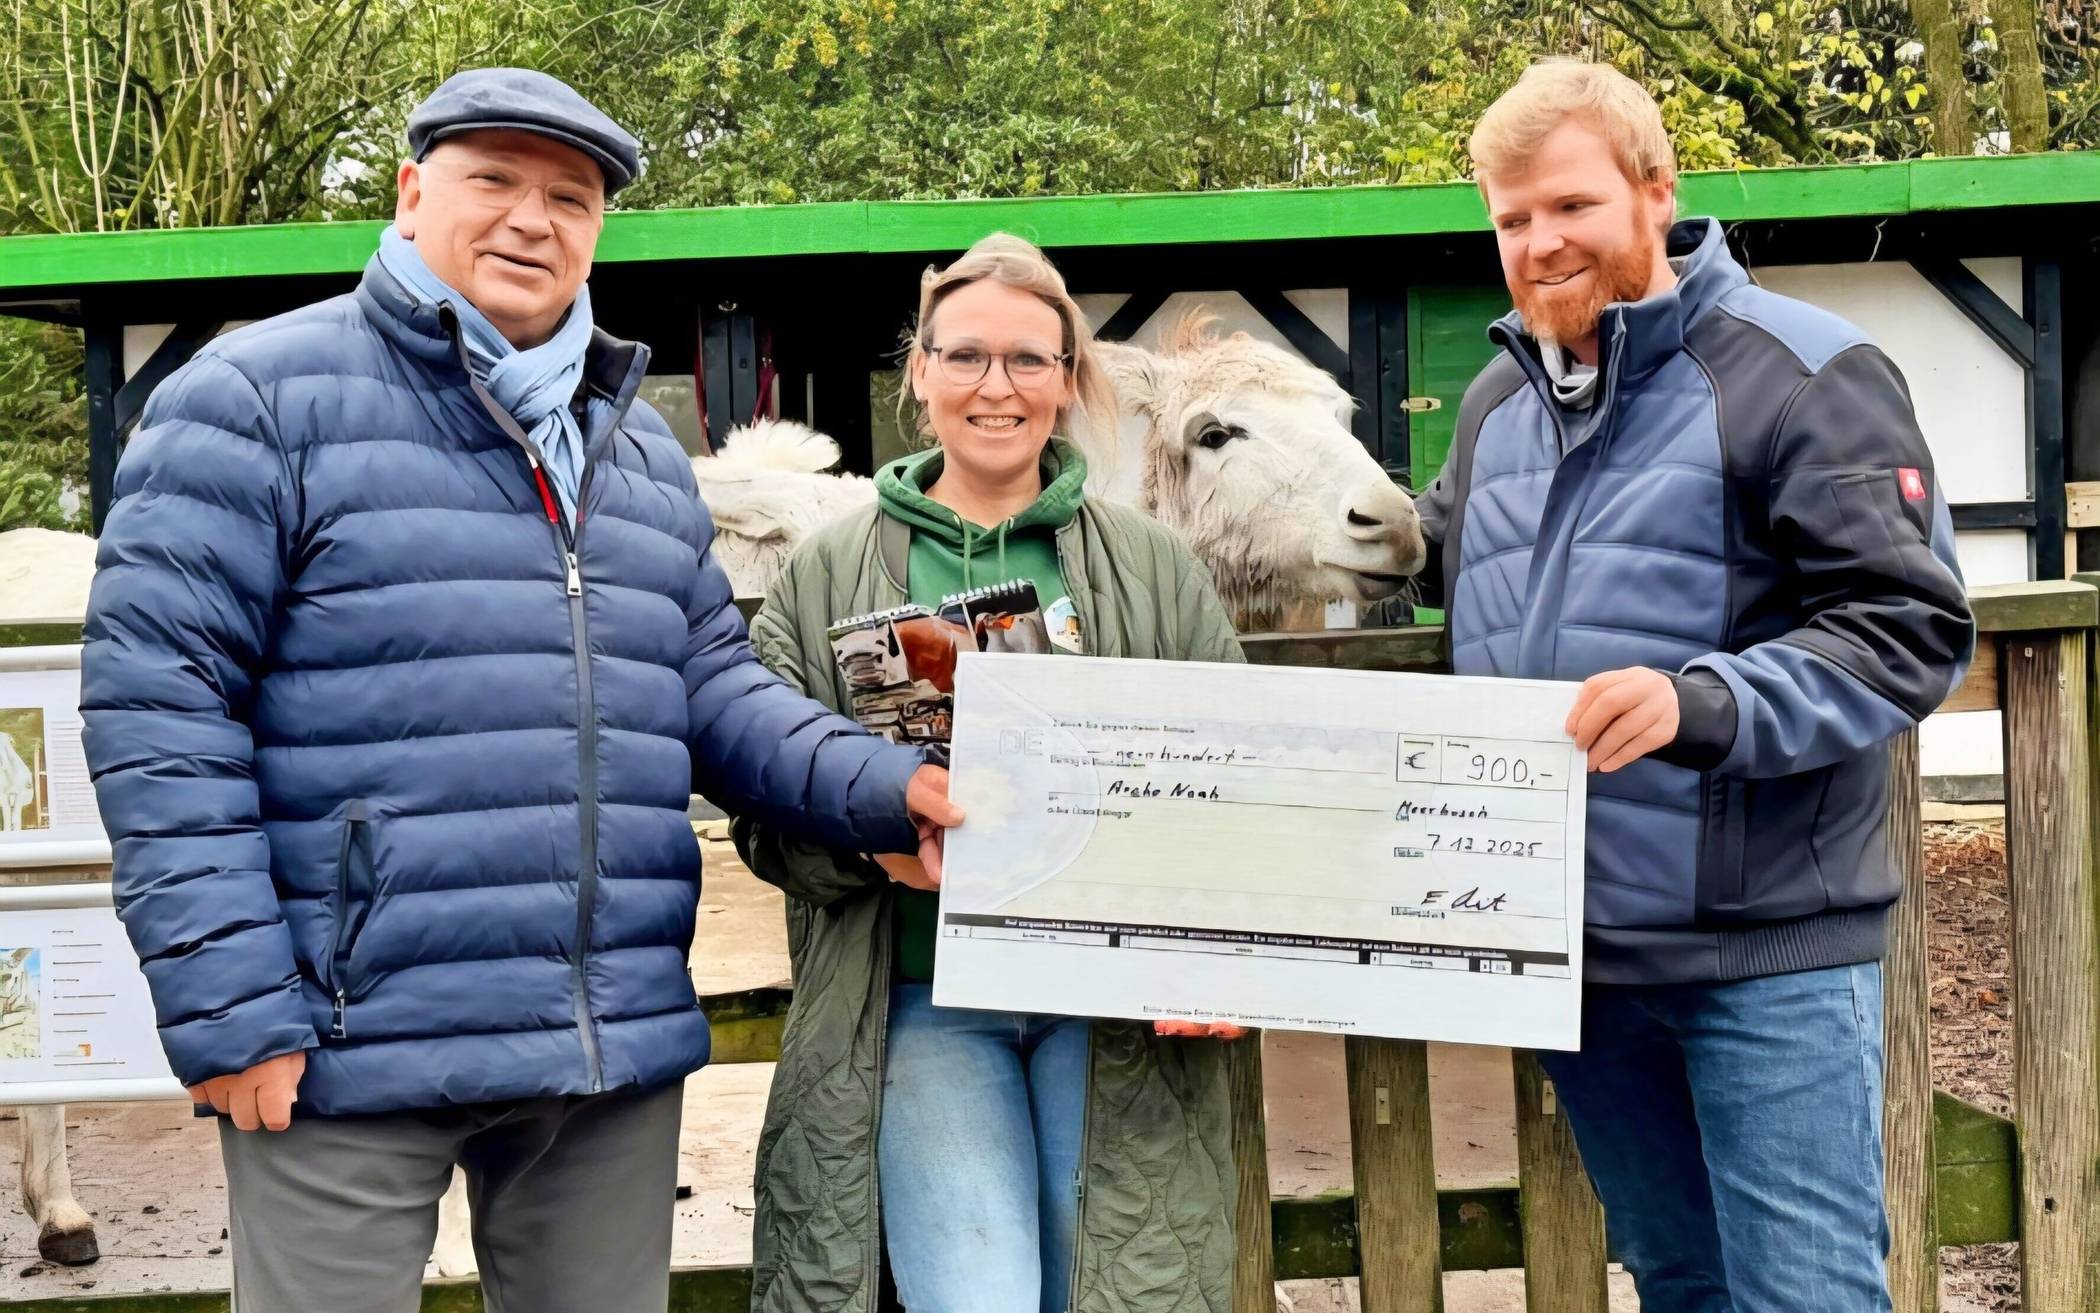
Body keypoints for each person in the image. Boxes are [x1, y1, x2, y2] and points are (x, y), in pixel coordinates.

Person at [79, 67, 957, 1313]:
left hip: (605, 1041)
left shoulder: (638, 451)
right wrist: (231, 1007)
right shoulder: (253, 401)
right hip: (347, 1035)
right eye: (493, 179)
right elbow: (159, 709)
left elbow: (707, 681)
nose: (532, 219)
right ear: (412, 190)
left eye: (571, 196)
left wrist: (891, 787)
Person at [1415, 60, 1975, 1313]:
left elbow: (1909, 626)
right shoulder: (1499, 400)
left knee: (1808, 1297)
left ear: (1656, 193)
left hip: (1763, 951)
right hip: (1580, 961)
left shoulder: (1804, 370)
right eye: (1511, 220)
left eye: (1569, 206)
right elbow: (1436, 559)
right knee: (1679, 1281)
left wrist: (1702, 702)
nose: (1538, 243)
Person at [734, 233, 1243, 1313]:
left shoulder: (1149, 562)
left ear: (1067, 379)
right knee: (975, 1292)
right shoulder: (830, 568)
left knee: (1113, 1285)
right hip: (922, 999)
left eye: (1027, 359)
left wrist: (1227, 956)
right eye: (964, 356)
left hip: (1109, 1015)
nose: (995, 386)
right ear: (919, 371)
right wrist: (870, 839)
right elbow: (763, 794)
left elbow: (1236, 774)